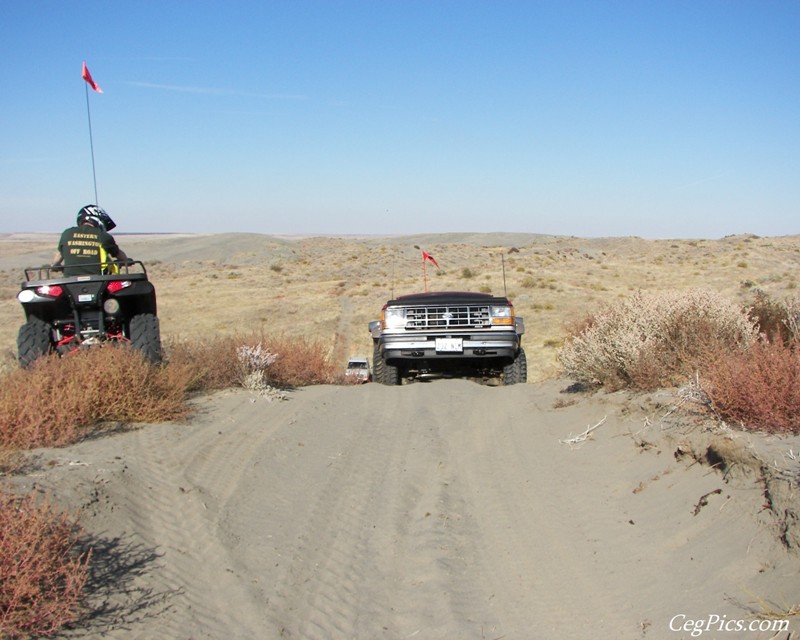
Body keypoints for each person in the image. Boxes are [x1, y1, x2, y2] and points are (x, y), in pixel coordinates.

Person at [52, 205, 129, 276]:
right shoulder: (104, 236)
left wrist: (57, 267)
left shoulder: (67, 233)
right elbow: (121, 257)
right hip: (100, 282)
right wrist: (126, 261)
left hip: (69, 283)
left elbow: (56, 261)